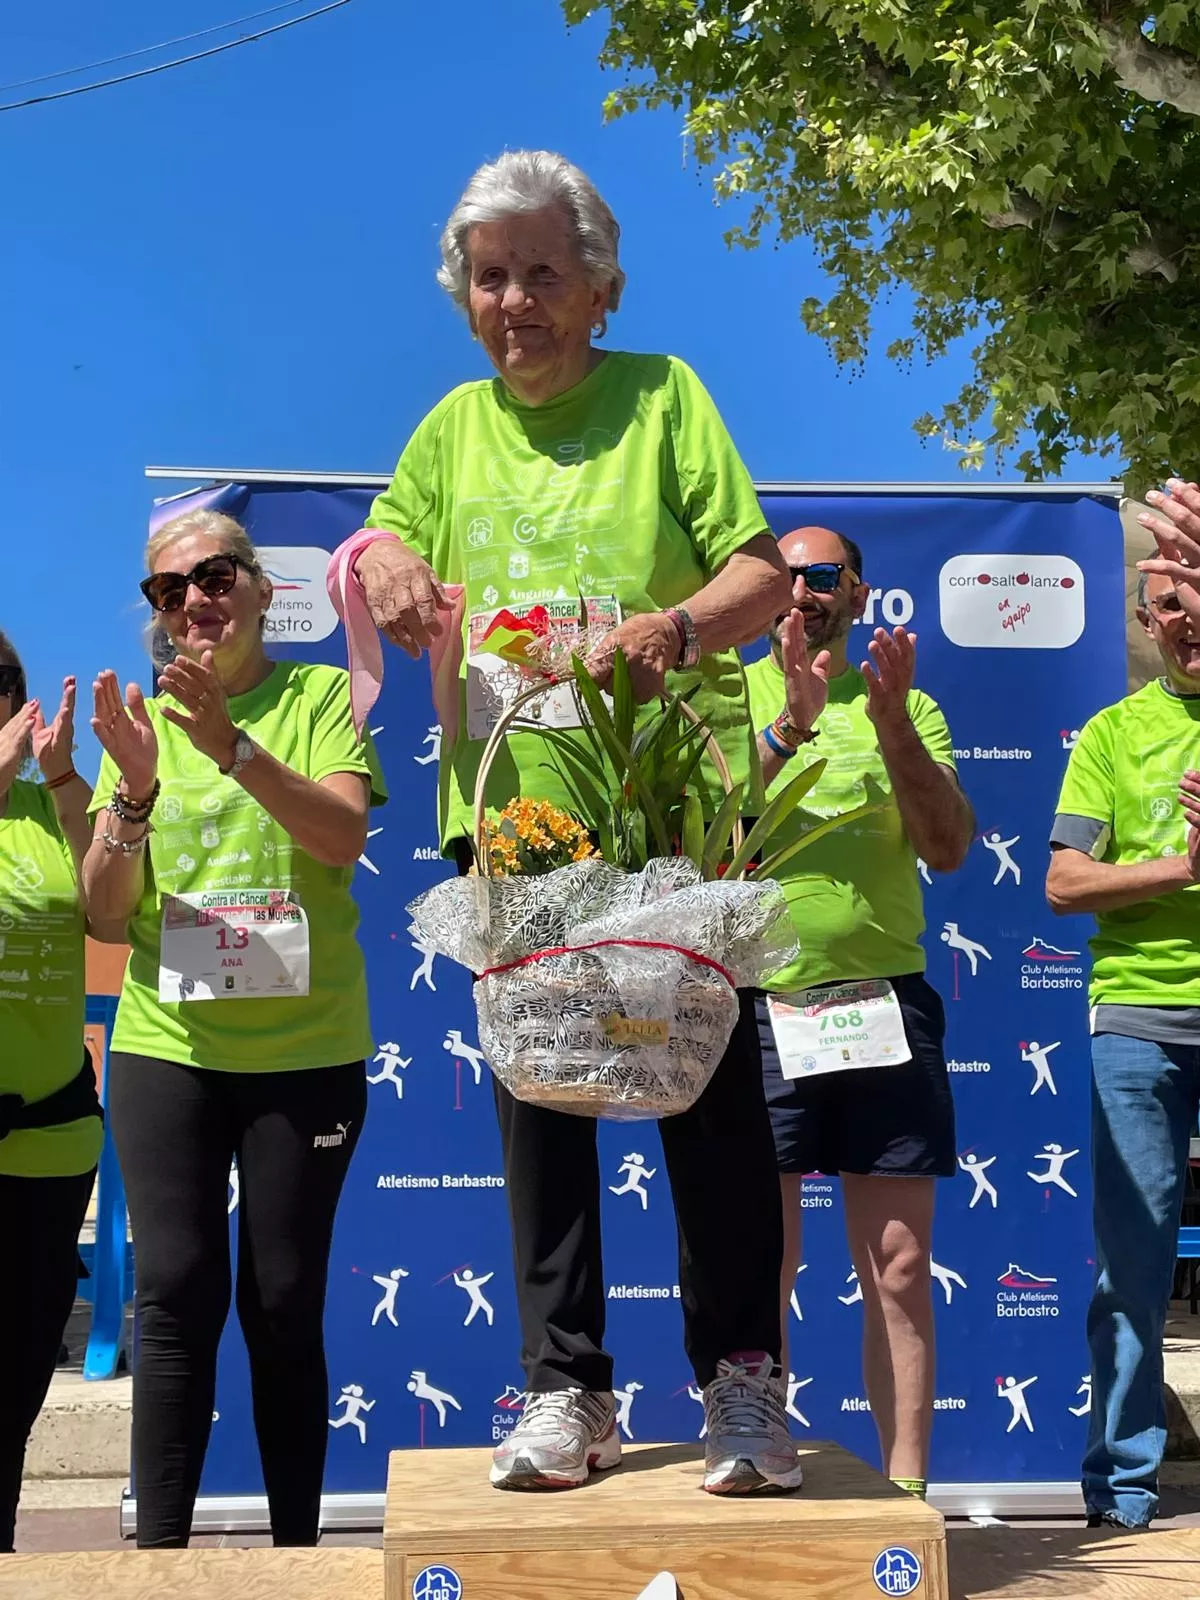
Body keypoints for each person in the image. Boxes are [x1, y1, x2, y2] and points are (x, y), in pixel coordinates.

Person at [351, 149, 801, 1494]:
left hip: (664, 816)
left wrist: (666, 628)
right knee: (541, 1117)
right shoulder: (445, 431)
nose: (516, 301)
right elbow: (382, 545)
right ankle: (567, 1394)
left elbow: (762, 577)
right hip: (514, 831)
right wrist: (380, 564)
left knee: (708, 1121)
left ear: (599, 289)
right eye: (491, 279)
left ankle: (742, 1390)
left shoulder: (664, 397)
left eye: (543, 273)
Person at [81, 510, 385, 1548]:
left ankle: (295, 1555)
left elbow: (341, 835)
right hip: (170, 1047)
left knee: (283, 1297)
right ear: (157, 617)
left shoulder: (321, 697)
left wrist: (230, 744)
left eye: (213, 577)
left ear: (260, 590)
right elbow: (106, 912)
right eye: (170, 590)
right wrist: (132, 793)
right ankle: (156, 1561)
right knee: (172, 1291)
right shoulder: (141, 720)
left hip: (307, 1055)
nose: (195, 601)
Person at [744, 525, 973, 1501]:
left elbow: (950, 843)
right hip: (763, 1006)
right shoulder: (729, 696)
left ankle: (908, 1494)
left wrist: (893, 732)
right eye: (787, 575)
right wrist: (791, 723)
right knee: (766, 1261)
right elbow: (701, 838)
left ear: (858, 592)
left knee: (900, 1262)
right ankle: (762, 1461)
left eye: (823, 575)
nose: (804, 590)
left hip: (884, 1002)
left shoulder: (908, 703)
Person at [1048, 476, 1200, 1530]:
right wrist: (1185, 867)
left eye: (1196, 592)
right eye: (1168, 606)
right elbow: (1063, 883)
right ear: (1147, 621)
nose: (1185, 619)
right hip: (1138, 1022)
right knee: (1135, 1265)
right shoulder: (1111, 732)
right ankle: (1123, 1488)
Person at [0, 639, 103, 1553]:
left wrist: (64, 777)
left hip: (49, 1142)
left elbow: (109, 910)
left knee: (22, 1373)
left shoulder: (46, 810)